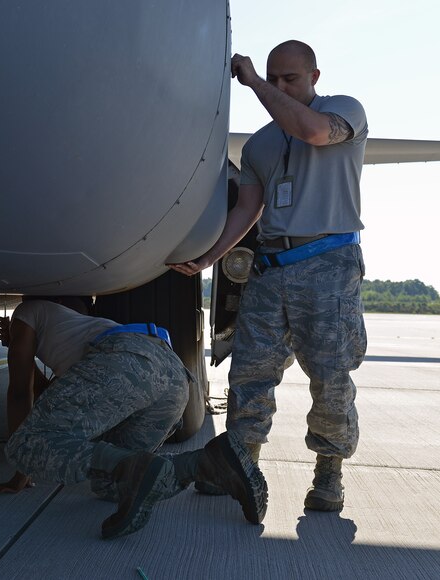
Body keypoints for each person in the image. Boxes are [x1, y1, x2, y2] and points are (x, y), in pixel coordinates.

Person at [168, 40, 368, 512]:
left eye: (290, 79)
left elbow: (314, 133)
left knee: (330, 377)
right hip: (270, 268)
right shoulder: (259, 143)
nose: (279, 86)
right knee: (250, 376)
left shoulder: (344, 111)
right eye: (273, 78)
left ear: (314, 77)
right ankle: (242, 466)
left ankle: (328, 475)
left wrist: (255, 82)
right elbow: (247, 210)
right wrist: (209, 256)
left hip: (328, 265)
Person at [0, 299, 266, 539]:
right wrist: (22, 353)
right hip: (172, 377)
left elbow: (20, 394)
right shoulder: (67, 326)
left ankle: (132, 465)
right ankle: (205, 464)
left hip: (124, 360)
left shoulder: (24, 313)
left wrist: (22, 466)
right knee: (111, 484)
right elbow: (52, 399)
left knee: (24, 443)